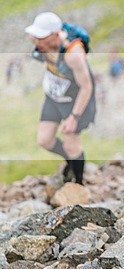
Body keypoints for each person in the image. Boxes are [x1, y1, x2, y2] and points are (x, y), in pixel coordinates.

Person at [26, 12, 96, 185]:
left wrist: (74, 117)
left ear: (55, 35)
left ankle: (78, 184)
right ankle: (71, 162)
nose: (37, 42)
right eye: (36, 37)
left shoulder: (73, 54)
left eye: (41, 37)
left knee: (71, 145)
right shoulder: (43, 44)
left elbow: (87, 87)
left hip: (75, 101)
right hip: (54, 97)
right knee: (44, 140)